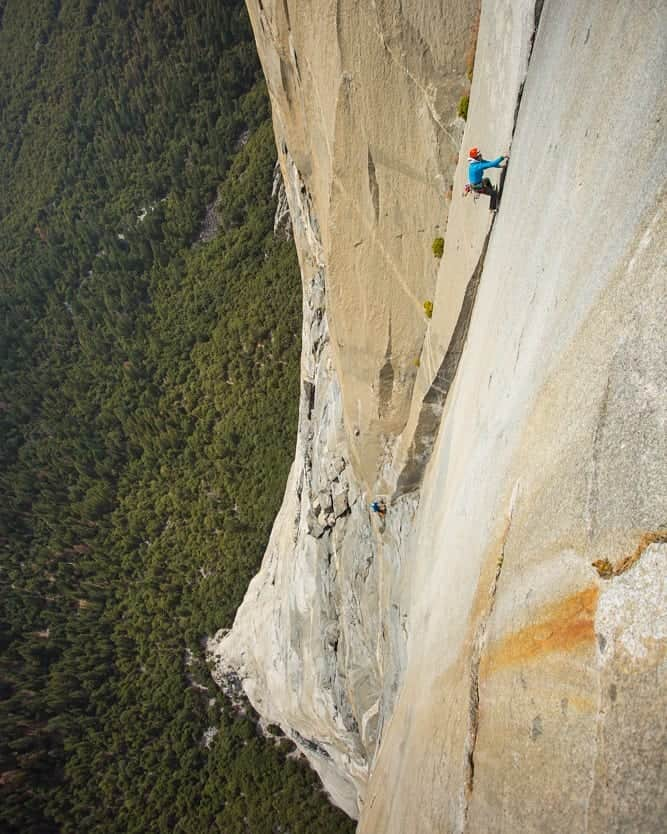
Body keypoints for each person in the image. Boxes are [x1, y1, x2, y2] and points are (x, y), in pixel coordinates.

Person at [467, 147, 508, 211]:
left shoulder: (476, 163)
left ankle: (491, 190)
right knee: (494, 194)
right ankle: (492, 208)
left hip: (478, 183)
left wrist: (500, 166)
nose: (481, 156)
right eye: (479, 156)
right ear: (476, 158)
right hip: (477, 187)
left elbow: (490, 163)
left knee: (487, 180)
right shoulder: (477, 166)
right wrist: (502, 158)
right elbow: (492, 164)